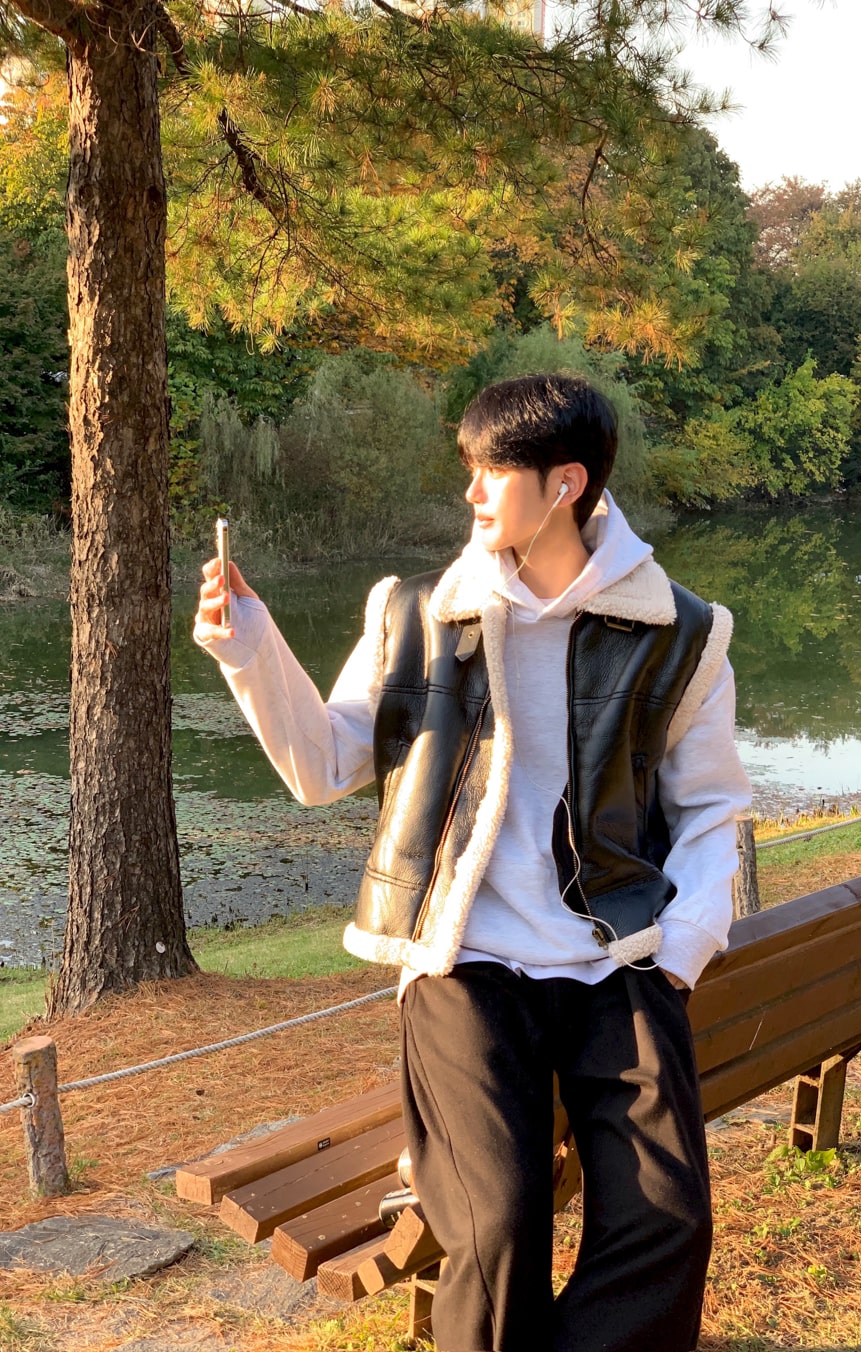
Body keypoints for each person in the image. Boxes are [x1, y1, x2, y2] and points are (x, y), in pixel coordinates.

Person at [194, 372, 751, 1352]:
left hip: (617, 957)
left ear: (565, 483)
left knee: (666, 1220)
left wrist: (683, 946)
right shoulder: (416, 612)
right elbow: (324, 766)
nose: (472, 491)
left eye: (493, 470)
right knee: (494, 1226)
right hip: (465, 963)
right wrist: (250, 647)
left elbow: (711, 806)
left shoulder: (682, 632)